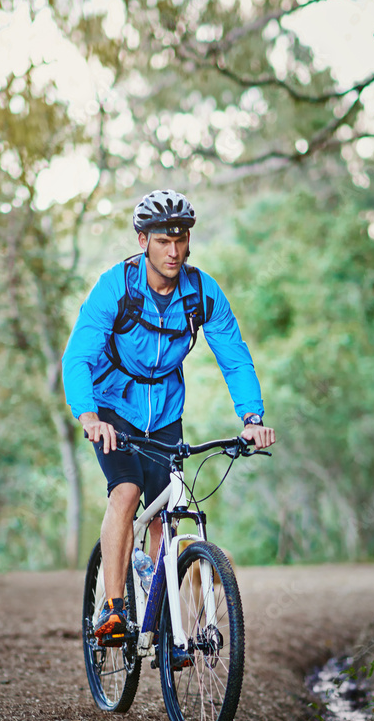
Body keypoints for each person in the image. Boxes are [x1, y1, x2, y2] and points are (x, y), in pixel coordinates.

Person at [62, 188, 275, 646]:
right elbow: (77, 357)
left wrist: (252, 416)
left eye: (180, 239)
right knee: (126, 490)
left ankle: (164, 621)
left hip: (165, 414)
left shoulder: (201, 294)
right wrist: (89, 416)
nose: (173, 250)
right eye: (162, 240)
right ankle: (115, 609)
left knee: (169, 512)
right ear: (143, 241)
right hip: (113, 408)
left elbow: (234, 357)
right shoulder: (115, 288)